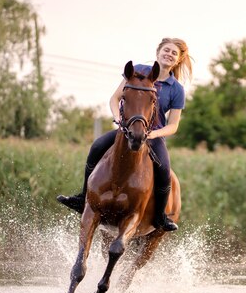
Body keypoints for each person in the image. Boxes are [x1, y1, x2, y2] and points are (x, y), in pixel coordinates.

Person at [57, 37, 192, 231]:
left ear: (178, 60)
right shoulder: (137, 70)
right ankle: (82, 197)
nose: (169, 54)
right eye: (166, 50)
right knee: (96, 147)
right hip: (126, 130)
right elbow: (115, 98)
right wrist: (117, 119)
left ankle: (160, 216)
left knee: (164, 170)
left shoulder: (177, 89)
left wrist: (153, 135)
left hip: (152, 137)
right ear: (158, 52)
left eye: (174, 53)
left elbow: (173, 125)